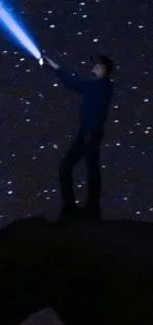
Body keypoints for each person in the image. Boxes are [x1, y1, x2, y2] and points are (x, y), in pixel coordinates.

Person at [42, 53, 114, 221]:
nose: (94, 67)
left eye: (97, 65)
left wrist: (55, 66)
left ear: (103, 68)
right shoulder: (101, 86)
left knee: (89, 168)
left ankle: (87, 208)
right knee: (72, 167)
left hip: (91, 132)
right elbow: (76, 84)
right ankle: (80, 207)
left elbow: (75, 83)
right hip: (87, 132)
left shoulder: (102, 86)